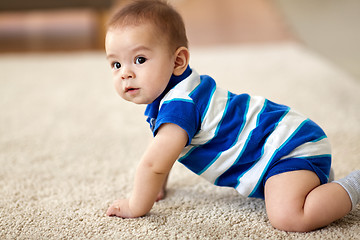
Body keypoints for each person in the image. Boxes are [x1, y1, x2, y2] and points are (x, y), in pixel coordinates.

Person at [104, 0, 359, 232]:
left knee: (288, 217)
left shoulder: (181, 105)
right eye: (116, 64)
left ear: (178, 61)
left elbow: (153, 165)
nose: (125, 73)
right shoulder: (179, 93)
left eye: (139, 59)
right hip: (285, 139)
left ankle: (353, 184)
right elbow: (164, 152)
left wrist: (136, 205)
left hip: (287, 148)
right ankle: (313, 181)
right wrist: (158, 185)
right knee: (286, 199)